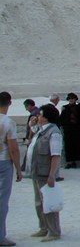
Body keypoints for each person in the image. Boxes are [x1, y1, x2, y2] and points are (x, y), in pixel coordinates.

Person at [25, 104, 62, 242]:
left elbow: (56, 155)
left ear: (46, 117)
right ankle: (44, 227)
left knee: (49, 202)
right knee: (39, 202)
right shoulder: (42, 130)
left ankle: (54, 230)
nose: (38, 117)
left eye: (40, 115)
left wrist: (52, 174)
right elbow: (33, 135)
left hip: (45, 172)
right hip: (37, 170)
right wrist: (32, 124)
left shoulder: (54, 132)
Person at [0, 92, 22, 247]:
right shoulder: (8, 122)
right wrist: (18, 169)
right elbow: (13, 149)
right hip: (3, 161)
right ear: (9, 103)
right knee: (2, 201)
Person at [60, 93, 80, 169]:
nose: (71, 100)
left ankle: (74, 161)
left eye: (72, 98)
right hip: (68, 129)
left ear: (75, 99)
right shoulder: (65, 108)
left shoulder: (79, 107)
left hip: (76, 129)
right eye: (70, 99)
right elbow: (61, 118)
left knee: (76, 145)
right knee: (68, 145)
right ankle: (69, 161)